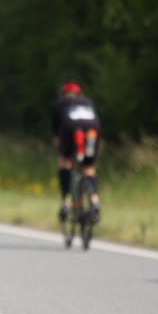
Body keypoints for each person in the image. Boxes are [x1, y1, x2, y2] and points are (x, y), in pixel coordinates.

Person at [50, 81, 102, 223]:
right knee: (89, 168)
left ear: (63, 94)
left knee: (65, 162)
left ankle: (66, 203)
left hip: (70, 128)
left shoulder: (58, 104)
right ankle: (94, 200)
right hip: (93, 128)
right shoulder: (88, 102)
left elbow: (56, 138)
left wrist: (62, 151)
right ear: (79, 94)